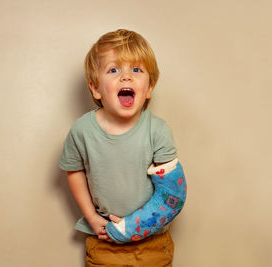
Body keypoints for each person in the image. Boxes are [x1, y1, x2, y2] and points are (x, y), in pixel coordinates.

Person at [59, 29, 186, 266]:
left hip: (153, 242)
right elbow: (73, 170)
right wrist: (90, 216)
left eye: (136, 70)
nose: (126, 77)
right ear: (96, 88)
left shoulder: (157, 131)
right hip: (105, 239)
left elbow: (172, 195)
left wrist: (134, 226)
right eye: (114, 70)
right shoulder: (82, 131)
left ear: (149, 88)